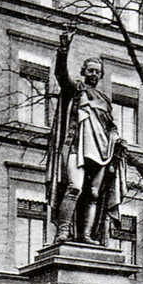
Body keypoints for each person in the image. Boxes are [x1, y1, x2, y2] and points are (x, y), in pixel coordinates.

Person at [47, 31, 127, 245]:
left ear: (100, 76)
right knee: (74, 187)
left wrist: (117, 139)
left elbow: (111, 126)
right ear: (83, 72)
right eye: (90, 70)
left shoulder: (105, 100)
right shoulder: (76, 89)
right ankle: (62, 232)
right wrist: (63, 49)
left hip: (102, 151)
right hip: (77, 147)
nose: (93, 74)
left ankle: (86, 235)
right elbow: (61, 75)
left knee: (93, 194)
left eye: (97, 72)